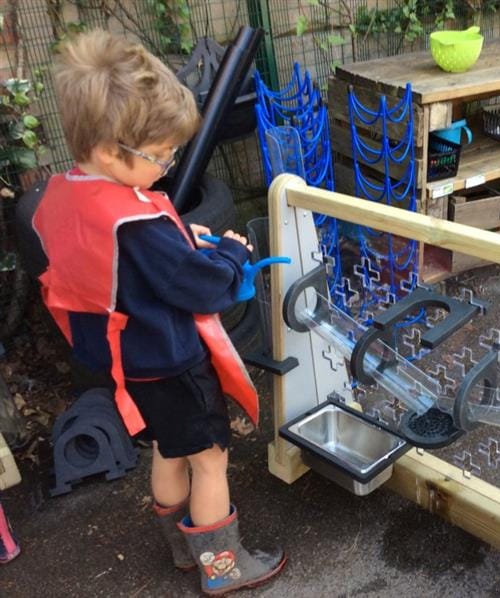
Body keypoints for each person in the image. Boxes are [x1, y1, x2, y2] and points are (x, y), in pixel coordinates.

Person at [32, 29, 285, 595]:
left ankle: (181, 549)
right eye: (161, 154)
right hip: (171, 361)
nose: (169, 165)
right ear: (108, 152)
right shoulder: (142, 229)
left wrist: (175, 237)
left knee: (170, 448)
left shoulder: (63, 194)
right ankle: (222, 568)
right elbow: (203, 288)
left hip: (127, 362)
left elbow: (119, 255)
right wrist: (226, 252)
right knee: (211, 460)